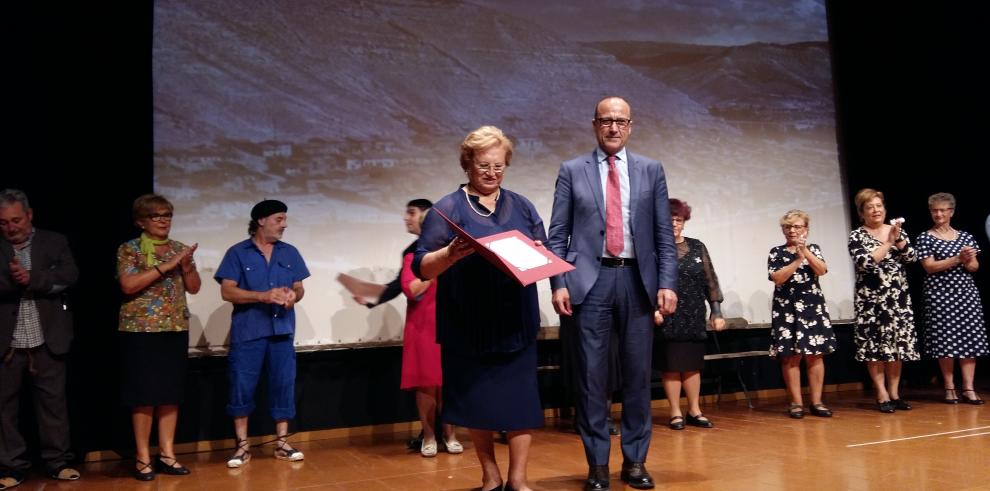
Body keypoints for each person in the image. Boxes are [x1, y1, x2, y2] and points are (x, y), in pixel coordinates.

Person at [548, 96, 677, 491]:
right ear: (594, 125)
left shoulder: (651, 170)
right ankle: (598, 466)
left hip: (637, 281)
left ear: (631, 126)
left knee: (638, 377)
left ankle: (635, 462)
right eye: (607, 120)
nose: (614, 127)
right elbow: (557, 235)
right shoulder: (572, 170)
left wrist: (667, 282)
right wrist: (558, 283)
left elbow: (662, 236)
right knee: (592, 379)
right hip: (592, 282)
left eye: (621, 121)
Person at [414, 126, 545, 491]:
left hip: (515, 319)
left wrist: (538, 252)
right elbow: (422, 266)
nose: (492, 173)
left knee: (521, 402)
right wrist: (449, 254)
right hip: (467, 322)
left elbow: (544, 250)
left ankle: (518, 481)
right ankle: (491, 477)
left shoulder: (521, 204)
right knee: (478, 403)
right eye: (484, 165)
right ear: (468, 164)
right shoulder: (448, 207)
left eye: (499, 166)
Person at [215, 199, 310, 467]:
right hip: (249, 331)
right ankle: (242, 446)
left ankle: (282, 443)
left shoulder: (289, 252)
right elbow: (227, 291)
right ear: (261, 221)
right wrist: (262, 296)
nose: (284, 225)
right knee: (241, 386)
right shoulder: (237, 253)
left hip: (282, 331)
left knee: (283, 383)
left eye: (284, 219)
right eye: (279, 219)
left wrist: (294, 295)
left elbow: (299, 288)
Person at [116, 194, 201, 480]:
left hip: (174, 328)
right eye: (156, 215)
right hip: (141, 331)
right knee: (144, 395)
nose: (164, 220)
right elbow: (128, 285)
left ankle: (167, 454)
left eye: (167, 215)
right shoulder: (129, 250)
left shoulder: (179, 249)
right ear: (141, 221)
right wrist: (167, 265)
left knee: (169, 394)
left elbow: (194, 288)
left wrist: (186, 265)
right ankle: (142, 455)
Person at [0, 189, 80, 489]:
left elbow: (69, 276)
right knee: (4, 410)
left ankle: (58, 462)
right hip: (7, 342)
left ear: (29, 215)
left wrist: (33, 278)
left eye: (16, 220)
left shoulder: (54, 241)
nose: (11, 227)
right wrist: (13, 280)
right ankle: (11, 466)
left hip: (48, 338)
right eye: (4, 223)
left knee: (53, 407)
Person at [396, 199, 462, 457]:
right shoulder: (413, 258)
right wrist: (435, 268)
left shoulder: (454, 257)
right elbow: (412, 290)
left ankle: (451, 434)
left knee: (449, 382)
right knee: (426, 384)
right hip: (422, 327)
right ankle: (429, 435)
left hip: (450, 324)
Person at [847, 188, 919, 413]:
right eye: (870, 207)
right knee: (875, 348)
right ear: (862, 213)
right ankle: (881, 393)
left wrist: (899, 242)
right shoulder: (856, 236)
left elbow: (911, 258)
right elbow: (865, 263)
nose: (875, 210)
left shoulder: (897, 231)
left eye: (879, 206)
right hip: (871, 301)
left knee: (897, 347)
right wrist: (888, 243)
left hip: (897, 298)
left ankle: (895, 393)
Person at [656, 199, 724, 431]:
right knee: (672, 364)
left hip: (694, 313)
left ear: (684, 222)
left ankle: (694, 410)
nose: (674, 223)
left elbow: (711, 281)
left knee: (693, 364)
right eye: (670, 219)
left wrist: (716, 312)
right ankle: (675, 412)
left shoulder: (697, 246)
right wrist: (653, 311)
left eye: (678, 220)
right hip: (667, 314)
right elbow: (645, 284)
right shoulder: (654, 249)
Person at [915, 193, 986, 405]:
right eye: (935, 210)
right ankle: (949, 387)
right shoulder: (925, 237)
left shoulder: (965, 237)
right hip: (939, 295)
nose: (938, 214)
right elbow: (929, 267)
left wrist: (968, 259)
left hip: (966, 294)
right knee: (945, 342)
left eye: (943, 210)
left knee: (969, 340)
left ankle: (969, 388)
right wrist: (957, 258)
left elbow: (974, 267)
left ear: (951, 212)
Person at [767, 210, 837, 418]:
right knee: (790, 357)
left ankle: (817, 402)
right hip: (786, 309)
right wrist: (797, 261)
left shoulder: (814, 249)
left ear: (806, 229)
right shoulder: (776, 252)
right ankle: (796, 403)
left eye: (797, 226)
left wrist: (805, 253)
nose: (792, 230)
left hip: (812, 307)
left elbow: (822, 270)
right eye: (788, 227)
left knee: (815, 356)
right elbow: (777, 278)